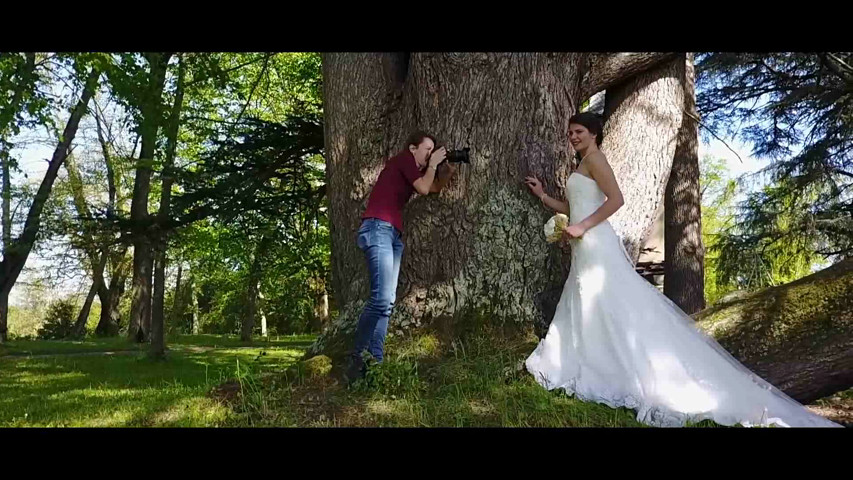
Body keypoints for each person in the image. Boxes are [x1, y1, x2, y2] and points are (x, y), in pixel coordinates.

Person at [523, 112, 840, 427]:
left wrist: (582, 228)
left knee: (605, 299)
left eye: (579, 131)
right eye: (571, 133)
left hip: (596, 242)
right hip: (584, 242)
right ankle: (587, 356)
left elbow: (616, 200)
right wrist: (544, 196)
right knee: (588, 299)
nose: (573, 137)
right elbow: (575, 207)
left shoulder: (596, 160)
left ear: (594, 133)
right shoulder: (582, 163)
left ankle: (618, 364)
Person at [344, 130, 456, 384]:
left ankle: (375, 363)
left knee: (387, 303)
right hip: (378, 228)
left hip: (392, 235)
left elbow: (432, 187)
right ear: (412, 148)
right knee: (381, 299)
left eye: (432, 151)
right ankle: (356, 359)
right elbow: (424, 188)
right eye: (427, 149)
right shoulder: (405, 159)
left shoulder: (414, 169)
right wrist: (434, 165)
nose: (429, 154)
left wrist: (445, 176)